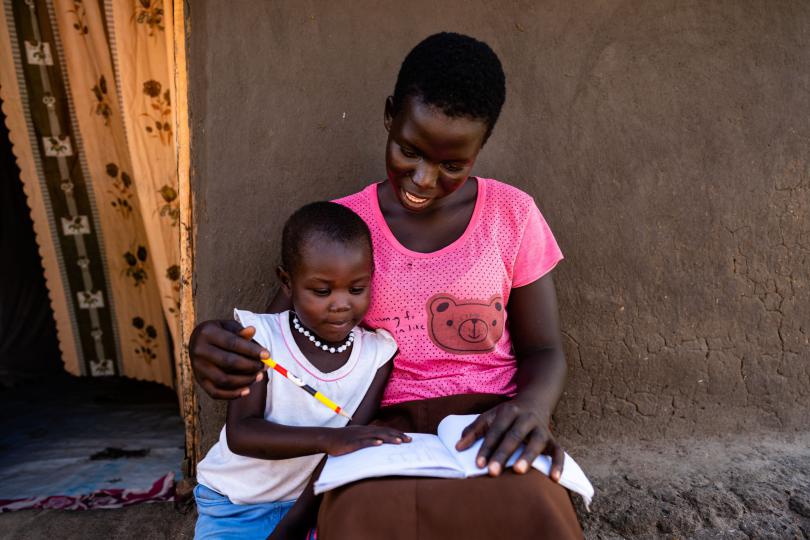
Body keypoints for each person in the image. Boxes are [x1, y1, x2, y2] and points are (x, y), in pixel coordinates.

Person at [190, 32, 583, 538]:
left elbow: (545, 348)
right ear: (388, 116)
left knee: (529, 506)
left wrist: (530, 409)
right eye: (409, 150)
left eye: (452, 165)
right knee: (365, 516)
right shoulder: (342, 231)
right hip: (379, 430)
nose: (423, 178)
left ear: (481, 148)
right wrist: (213, 345)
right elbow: (277, 341)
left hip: (489, 420)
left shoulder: (513, 215)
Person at [193, 202, 410, 540]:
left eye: (356, 289)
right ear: (287, 282)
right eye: (322, 291)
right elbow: (242, 434)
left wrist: (294, 525)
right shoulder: (261, 338)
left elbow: (352, 440)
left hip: (310, 508)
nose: (341, 304)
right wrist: (330, 438)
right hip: (235, 504)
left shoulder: (377, 354)